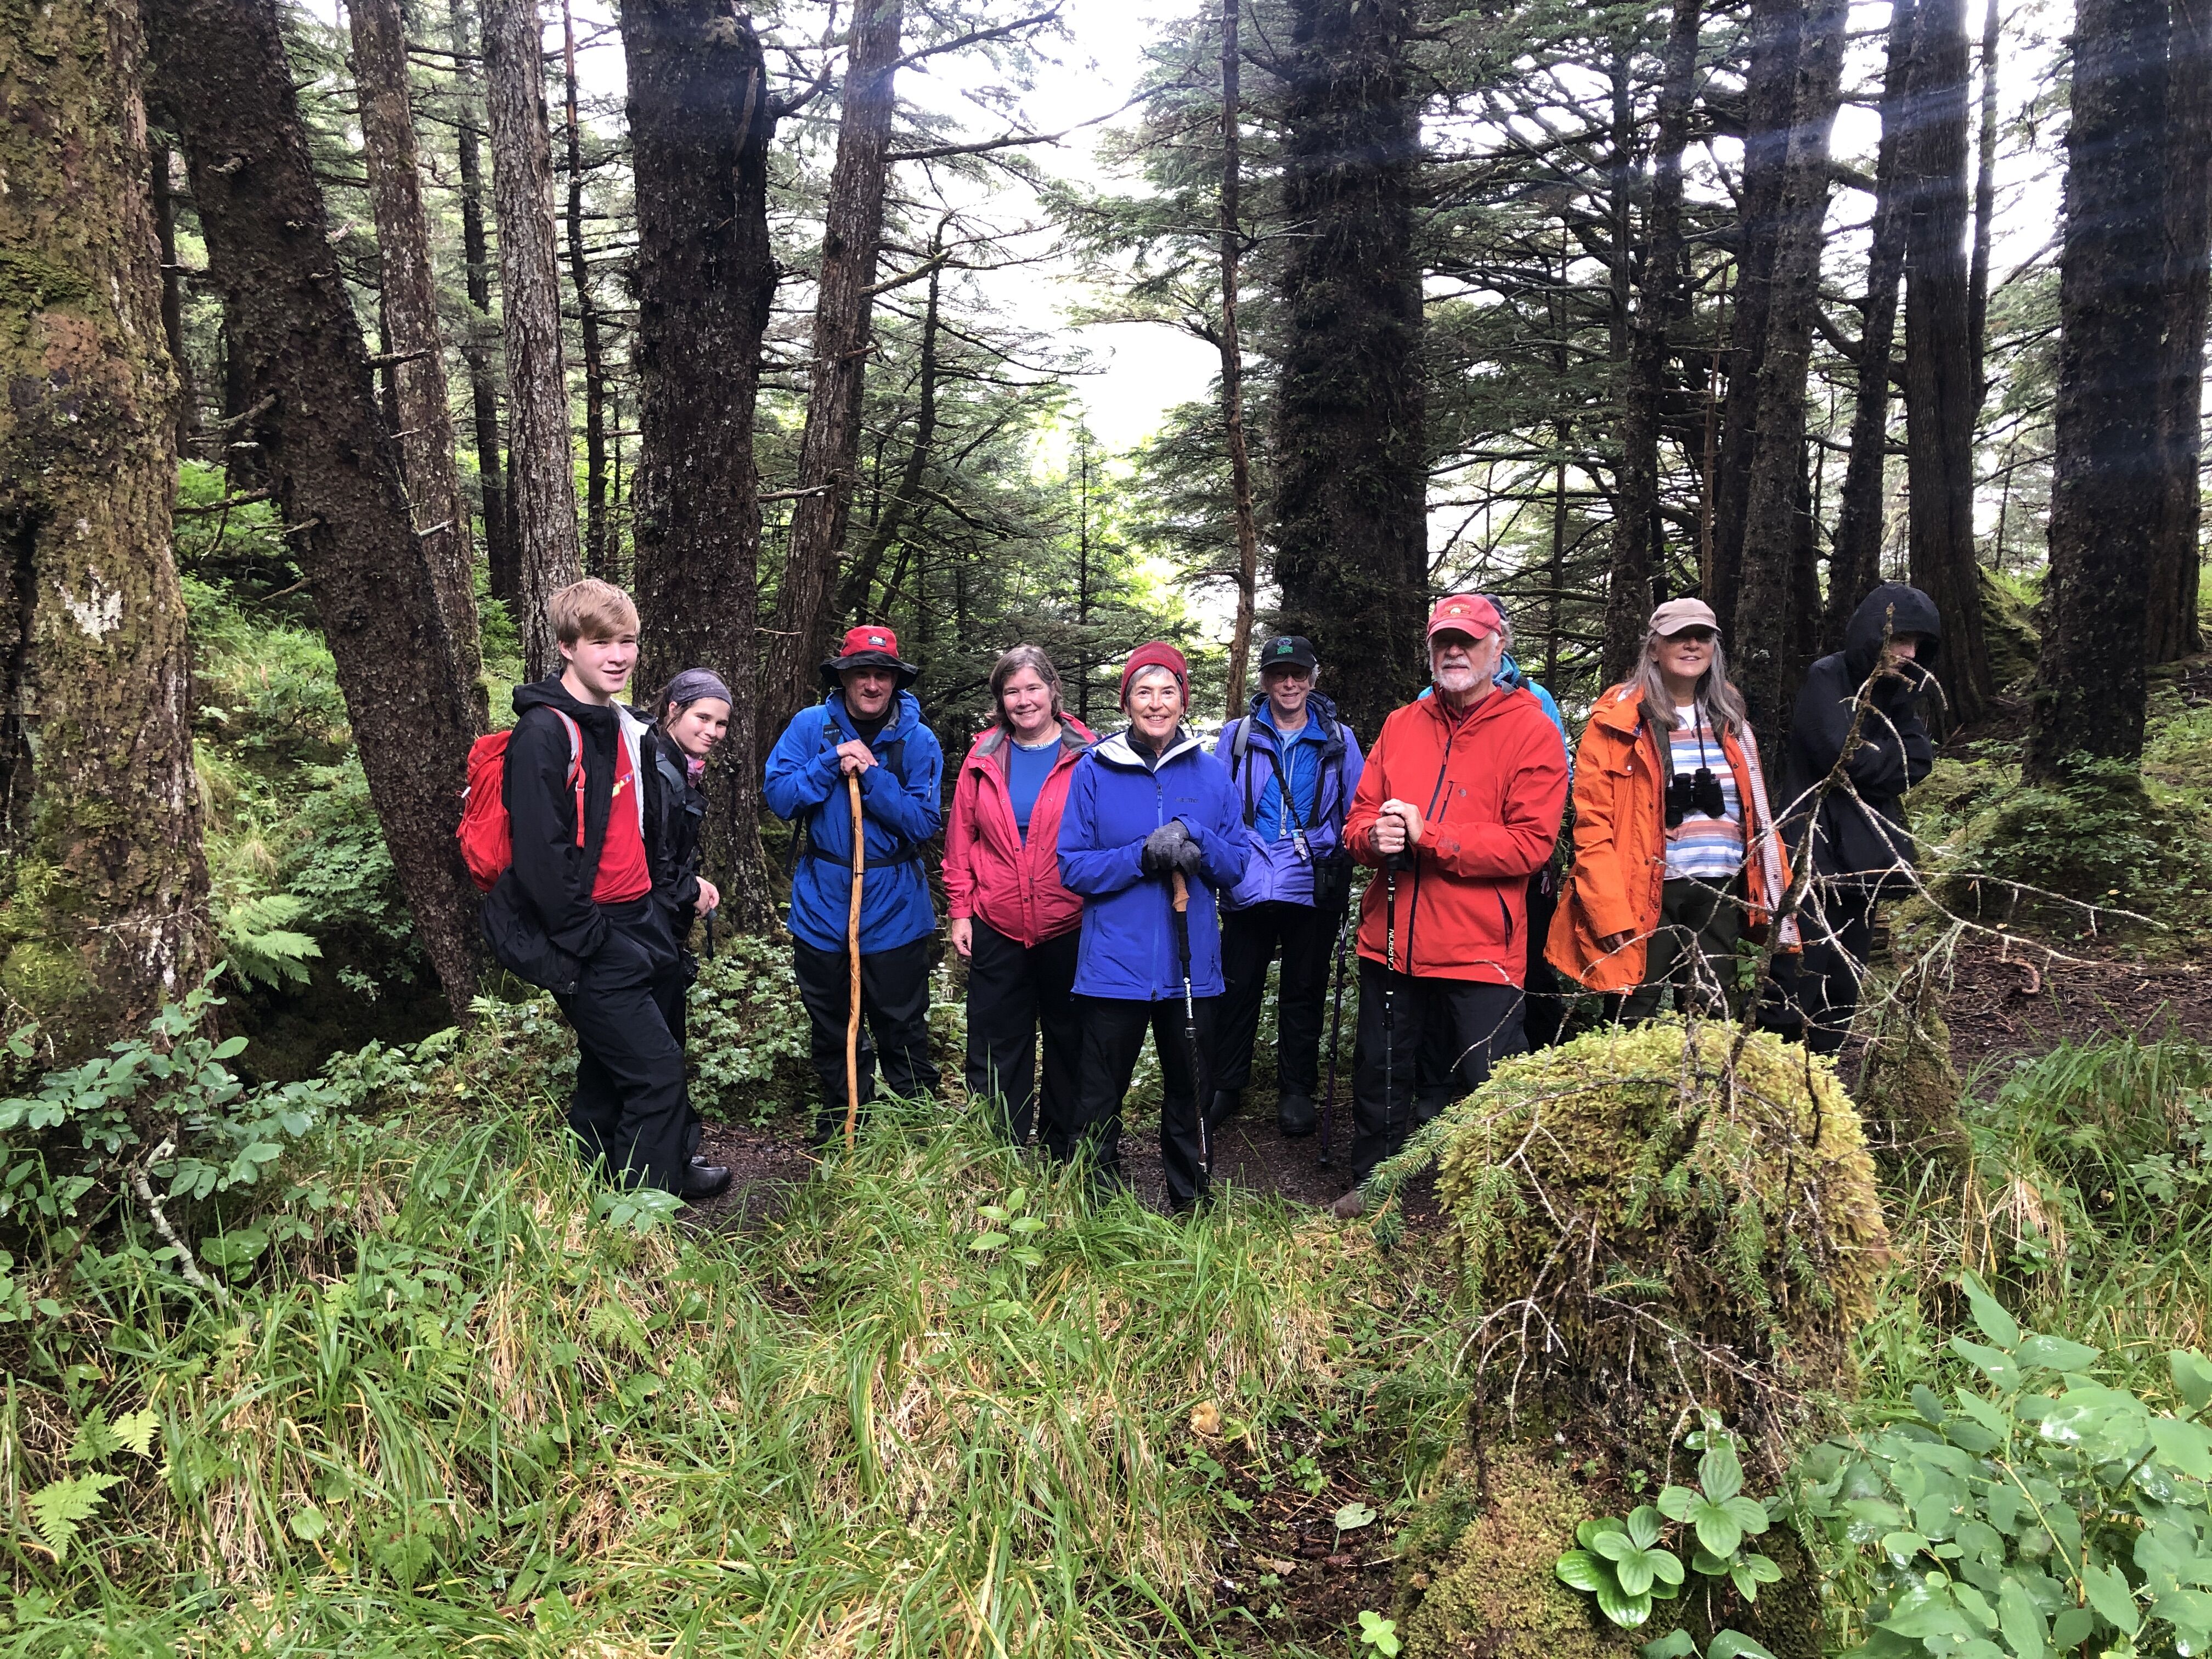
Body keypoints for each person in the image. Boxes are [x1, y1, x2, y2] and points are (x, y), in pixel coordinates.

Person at [481, 579, 724, 1200]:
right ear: (567, 647)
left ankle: (594, 1187)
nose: (619, 656)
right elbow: (542, 858)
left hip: (640, 919)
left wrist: (669, 900)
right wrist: (592, 941)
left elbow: (641, 827)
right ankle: (643, 1216)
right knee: (656, 1072)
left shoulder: (624, 724)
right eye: (601, 643)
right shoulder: (545, 733)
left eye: (628, 642)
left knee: (609, 1065)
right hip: (592, 933)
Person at [1334, 595, 1570, 1215]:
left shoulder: (1532, 730)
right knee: (1382, 1069)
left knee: (1491, 1077)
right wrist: (1373, 838)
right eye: (1445, 642)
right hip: (1392, 936)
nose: (1456, 652)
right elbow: (1358, 821)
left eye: (1469, 641)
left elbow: (1530, 845)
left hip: (1481, 944)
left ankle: (1504, 1203)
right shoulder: (1401, 724)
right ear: (1431, 651)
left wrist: (1430, 835)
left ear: (1499, 648)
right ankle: (1375, 1186)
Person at [1056, 642, 1246, 1211]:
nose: (1156, 703)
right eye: (1144, 692)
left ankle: (1192, 1208)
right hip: (1113, 966)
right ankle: (1096, 1209)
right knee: (1098, 1097)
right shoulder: (1094, 770)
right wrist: (1140, 856)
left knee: (1192, 1094)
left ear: (1183, 700)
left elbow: (1237, 864)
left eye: (1168, 691)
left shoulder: (1211, 774)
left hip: (1192, 967)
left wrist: (1196, 838)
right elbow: (1073, 867)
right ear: (1127, 702)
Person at [1545, 598, 1796, 1026]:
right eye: (1679, 636)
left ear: (1714, 648)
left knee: (1712, 1015)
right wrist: (1607, 909)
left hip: (1720, 887)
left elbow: (1757, 812)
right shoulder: (1617, 721)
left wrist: (1774, 890)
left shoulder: (1730, 716)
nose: (1692, 645)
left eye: (1702, 637)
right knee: (1633, 1011)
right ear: (1654, 648)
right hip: (1642, 888)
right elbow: (1592, 825)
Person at [763, 624, 944, 1146]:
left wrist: (871, 775)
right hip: (822, 907)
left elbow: (922, 823)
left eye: (882, 675)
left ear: (895, 681)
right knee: (832, 1027)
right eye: (861, 673)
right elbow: (780, 798)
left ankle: (917, 1135)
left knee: (903, 1026)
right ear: (843, 678)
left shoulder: (918, 739)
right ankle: (844, 1131)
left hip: (895, 909)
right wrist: (829, 762)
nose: (872, 684)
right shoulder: (810, 727)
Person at [1209, 635, 1364, 1138]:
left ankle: (1297, 1089)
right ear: (1266, 681)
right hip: (1247, 878)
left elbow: (1357, 807)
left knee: (1305, 988)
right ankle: (1225, 1084)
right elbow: (1218, 804)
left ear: (1313, 679)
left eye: (1298, 674)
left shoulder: (1338, 739)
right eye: (1280, 674)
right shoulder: (1237, 736)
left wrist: (1344, 857)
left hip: (1312, 879)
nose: (1290, 683)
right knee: (1237, 986)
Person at [1778, 583, 1942, 1054]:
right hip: (1815, 849)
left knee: (1845, 977)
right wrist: (1885, 759)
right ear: (1875, 633)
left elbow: (1919, 762)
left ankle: (1826, 1070)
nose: (1909, 654)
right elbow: (1840, 757)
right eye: (1900, 640)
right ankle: (1782, 1066)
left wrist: (1877, 760)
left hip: (1866, 858)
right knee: (1801, 969)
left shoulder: (1897, 692)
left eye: (1917, 644)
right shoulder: (1827, 677)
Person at [943, 646, 1097, 1146]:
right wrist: (960, 911)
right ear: (1001, 700)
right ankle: (996, 1151)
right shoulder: (983, 757)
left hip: (1070, 919)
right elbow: (961, 839)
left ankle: (1064, 1150)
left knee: (1071, 1037)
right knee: (995, 1041)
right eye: (1012, 691)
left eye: (1033, 688)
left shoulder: (1089, 753)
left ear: (1053, 690)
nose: (1024, 700)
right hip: (997, 919)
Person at [645, 668, 731, 1189]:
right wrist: (688, 889)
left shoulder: (678, 765)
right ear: (673, 710)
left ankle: (662, 1161)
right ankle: (669, 1170)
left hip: (658, 927)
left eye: (721, 723)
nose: (713, 731)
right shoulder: (659, 769)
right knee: (659, 1051)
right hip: (646, 929)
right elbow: (650, 857)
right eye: (703, 717)